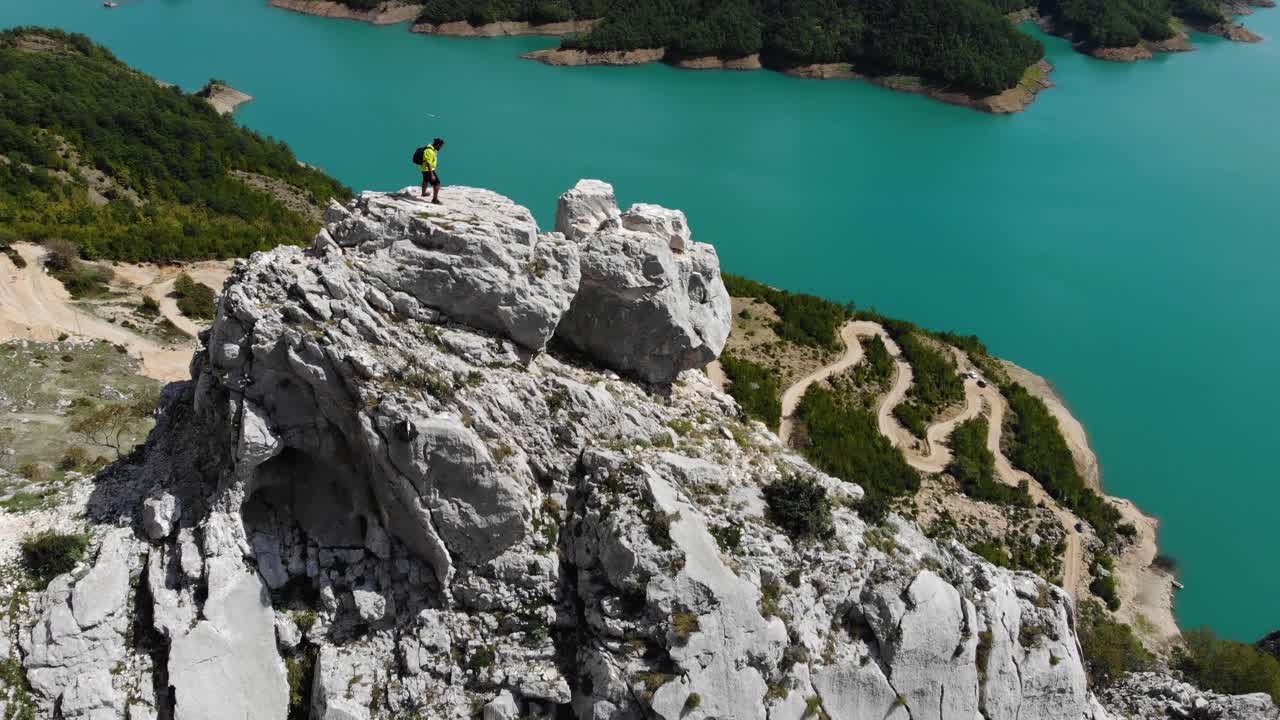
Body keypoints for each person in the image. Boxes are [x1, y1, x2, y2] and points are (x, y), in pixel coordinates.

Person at [420, 137, 445, 204]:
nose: (441, 148)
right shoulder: (429, 151)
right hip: (428, 169)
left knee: (426, 180)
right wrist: (432, 174)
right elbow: (428, 163)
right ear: (438, 144)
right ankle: (434, 199)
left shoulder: (433, 149)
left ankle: (423, 193)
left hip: (424, 169)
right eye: (441, 146)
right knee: (437, 183)